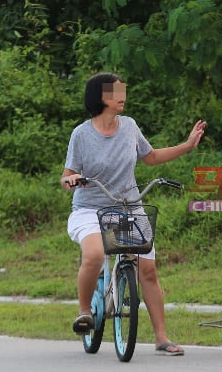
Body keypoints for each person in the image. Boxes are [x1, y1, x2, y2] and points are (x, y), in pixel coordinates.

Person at [61, 72, 206, 356]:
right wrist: (71, 180)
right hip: (90, 209)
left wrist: (187, 146)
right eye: (116, 91)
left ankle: (162, 338)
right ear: (101, 97)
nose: (122, 96)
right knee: (92, 255)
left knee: (148, 271)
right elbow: (66, 175)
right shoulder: (81, 134)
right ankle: (84, 311)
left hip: (127, 206)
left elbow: (150, 157)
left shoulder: (129, 126)